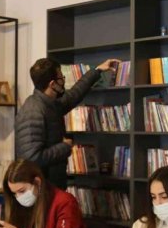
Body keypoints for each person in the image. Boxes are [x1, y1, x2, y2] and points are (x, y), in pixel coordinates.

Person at [15, 57, 120, 189]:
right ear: (53, 84)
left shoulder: (49, 104)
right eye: (61, 78)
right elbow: (32, 158)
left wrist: (97, 70)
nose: (63, 81)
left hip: (51, 185)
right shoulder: (33, 111)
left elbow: (73, 95)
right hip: (42, 189)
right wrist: (64, 147)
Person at [0, 159, 89, 228]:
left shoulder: (65, 202)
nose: (18, 197)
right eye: (14, 193)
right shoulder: (20, 202)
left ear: (37, 182)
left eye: (22, 191)